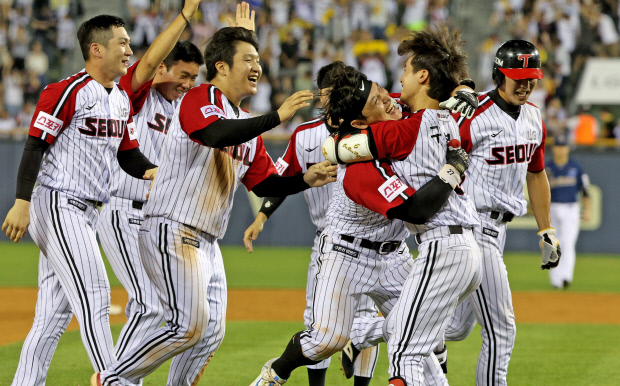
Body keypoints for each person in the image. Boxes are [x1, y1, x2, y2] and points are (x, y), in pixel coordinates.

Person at [92, 24, 337, 386]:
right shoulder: (199, 98)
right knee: (188, 325)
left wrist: (305, 179)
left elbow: (264, 182)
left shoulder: (245, 125)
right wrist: (276, 117)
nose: (257, 67)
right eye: (248, 59)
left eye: (258, 60)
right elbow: (213, 133)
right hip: (171, 225)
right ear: (222, 67)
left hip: (207, 240)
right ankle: (113, 379)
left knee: (209, 333)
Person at [251, 25, 481, 386]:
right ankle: (277, 371)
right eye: (377, 100)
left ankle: (364, 332)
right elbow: (408, 203)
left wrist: (463, 86)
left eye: (383, 91)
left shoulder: (396, 115)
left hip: (394, 255)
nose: (389, 99)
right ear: (359, 121)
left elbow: (434, 79)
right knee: (327, 339)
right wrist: (453, 165)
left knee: (423, 340)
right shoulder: (362, 168)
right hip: (346, 253)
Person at [332, 39, 561, 386]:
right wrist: (463, 86)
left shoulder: (413, 126)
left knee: (417, 347)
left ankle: (364, 331)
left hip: (450, 240)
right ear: (500, 74)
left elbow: (339, 149)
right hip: (473, 233)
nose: (527, 84)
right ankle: (366, 332)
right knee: (465, 330)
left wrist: (334, 147)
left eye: (406, 72)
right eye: (519, 76)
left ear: (422, 76)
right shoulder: (453, 117)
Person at [2, 14, 158, 385]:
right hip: (58, 203)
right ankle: (115, 380)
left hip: (87, 212)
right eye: (121, 43)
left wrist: (156, 172)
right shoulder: (67, 90)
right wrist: (21, 202)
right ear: (96, 49)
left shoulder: (120, 99)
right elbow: (35, 145)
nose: (128, 50)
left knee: (52, 318)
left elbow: (129, 156)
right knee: (95, 294)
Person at [243, 61, 381, 386]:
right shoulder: (305, 135)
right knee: (318, 325)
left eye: (341, 91)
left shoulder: (368, 130)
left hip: (371, 237)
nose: (335, 98)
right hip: (330, 240)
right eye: (329, 91)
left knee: (367, 319)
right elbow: (283, 178)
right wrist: (261, 216)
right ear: (320, 95)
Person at [95, 0, 207, 383]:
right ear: (163, 68)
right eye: (182, 75)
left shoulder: (183, 107)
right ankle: (113, 378)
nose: (188, 83)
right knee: (149, 304)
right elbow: (148, 63)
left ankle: (118, 377)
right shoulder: (136, 95)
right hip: (124, 208)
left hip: (156, 217)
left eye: (194, 77)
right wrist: (185, 16)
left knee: (160, 306)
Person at [546, 135, 590, 289]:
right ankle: (555, 280)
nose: (560, 149)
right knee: (552, 244)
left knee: (568, 243)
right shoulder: (548, 168)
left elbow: (585, 191)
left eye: (563, 146)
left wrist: (587, 210)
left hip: (571, 208)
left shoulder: (575, 167)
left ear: (567, 149)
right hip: (552, 208)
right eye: (558, 146)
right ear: (553, 148)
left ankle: (566, 276)